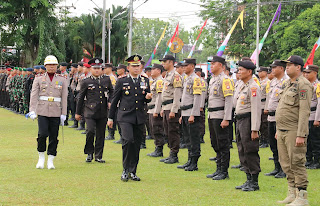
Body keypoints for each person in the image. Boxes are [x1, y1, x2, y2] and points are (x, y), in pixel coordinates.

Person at [107, 55, 151, 182]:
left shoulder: (145, 80)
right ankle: (125, 169)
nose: (136, 68)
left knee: (136, 144)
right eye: (134, 66)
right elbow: (114, 101)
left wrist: (149, 97)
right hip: (125, 116)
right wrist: (110, 118)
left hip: (139, 117)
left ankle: (133, 171)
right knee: (128, 140)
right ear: (128, 67)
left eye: (138, 66)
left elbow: (146, 98)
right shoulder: (121, 81)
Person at [276, 55, 312, 205]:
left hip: (294, 130)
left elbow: (304, 111)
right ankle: (292, 191)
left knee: (296, 162)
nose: (287, 67)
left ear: (298, 67)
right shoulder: (287, 84)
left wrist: (301, 134)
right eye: (286, 65)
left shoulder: (303, 84)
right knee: (285, 162)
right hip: (283, 129)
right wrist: (278, 129)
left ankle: (302, 196)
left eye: (290, 64)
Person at [28, 55, 68, 169]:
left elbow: (64, 97)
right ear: (45, 66)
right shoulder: (39, 78)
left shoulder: (62, 79)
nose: (52, 67)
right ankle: (41, 156)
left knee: (54, 136)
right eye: (49, 65)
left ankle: (51, 159)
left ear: (57, 66)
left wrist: (64, 113)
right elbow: (34, 95)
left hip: (56, 110)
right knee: (42, 134)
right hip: (42, 110)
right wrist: (32, 110)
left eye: (54, 65)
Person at [76, 58, 113, 163]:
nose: (97, 70)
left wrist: (110, 100)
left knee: (101, 134)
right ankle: (89, 153)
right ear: (91, 69)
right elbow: (80, 98)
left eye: (98, 68)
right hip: (90, 111)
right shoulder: (86, 81)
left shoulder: (106, 79)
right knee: (90, 131)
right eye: (94, 68)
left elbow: (112, 91)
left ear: (102, 69)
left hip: (102, 111)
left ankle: (98, 155)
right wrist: (77, 113)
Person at [234, 60, 261, 192]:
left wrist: (254, 129)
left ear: (249, 72)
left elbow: (256, 110)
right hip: (239, 120)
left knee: (250, 149)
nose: (239, 72)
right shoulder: (241, 86)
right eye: (238, 69)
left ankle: (254, 181)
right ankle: (248, 178)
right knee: (241, 149)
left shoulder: (253, 87)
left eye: (241, 70)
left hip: (248, 121)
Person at [205, 56, 234, 180]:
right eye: (210, 64)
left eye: (213, 64)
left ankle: (224, 171)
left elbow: (229, 100)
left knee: (223, 143)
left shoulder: (225, 80)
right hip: (212, 115)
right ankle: (218, 168)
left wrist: (226, 118)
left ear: (221, 66)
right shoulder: (212, 80)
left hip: (221, 115)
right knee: (215, 143)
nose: (211, 66)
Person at [177, 58, 202, 171]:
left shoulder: (196, 79)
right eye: (183, 66)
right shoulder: (186, 78)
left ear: (192, 66)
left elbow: (197, 98)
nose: (183, 67)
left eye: (186, 65)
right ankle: (189, 160)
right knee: (187, 138)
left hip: (192, 112)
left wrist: (193, 114)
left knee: (194, 138)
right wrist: (182, 114)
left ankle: (194, 162)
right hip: (185, 111)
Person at [264, 60, 288, 178]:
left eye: (275, 67)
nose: (272, 69)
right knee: (273, 144)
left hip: (280, 116)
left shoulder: (286, 82)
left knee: (281, 144)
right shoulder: (273, 82)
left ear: (282, 69)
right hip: (271, 116)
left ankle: (284, 169)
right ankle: (276, 167)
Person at [159, 55, 183, 164]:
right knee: (167, 131)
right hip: (166, 107)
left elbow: (177, 94)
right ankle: (171, 153)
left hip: (172, 107)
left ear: (171, 62)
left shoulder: (176, 76)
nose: (163, 64)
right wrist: (163, 108)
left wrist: (174, 110)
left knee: (173, 131)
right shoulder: (167, 75)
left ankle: (174, 154)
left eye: (164, 62)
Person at [303, 65, 320, 169]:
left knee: (315, 140)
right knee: (307, 140)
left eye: (308, 72)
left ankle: (317, 161)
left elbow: (319, 103)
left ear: (315, 73)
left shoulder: (318, 85)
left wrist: (317, 119)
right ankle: (309, 159)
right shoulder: (305, 85)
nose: (305, 74)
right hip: (306, 116)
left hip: (314, 115)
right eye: (305, 72)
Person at [147, 64, 165, 157]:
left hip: (155, 108)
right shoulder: (154, 81)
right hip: (151, 108)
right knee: (153, 129)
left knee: (157, 129)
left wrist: (157, 111)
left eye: (153, 69)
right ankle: (157, 148)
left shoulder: (159, 81)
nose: (151, 71)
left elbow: (159, 97)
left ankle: (159, 149)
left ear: (158, 70)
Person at [257, 66, 269, 148]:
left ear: (265, 72)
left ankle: (265, 141)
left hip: (264, 104)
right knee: (260, 124)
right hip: (258, 104)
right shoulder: (259, 82)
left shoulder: (268, 82)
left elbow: (268, 95)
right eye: (258, 72)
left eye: (261, 71)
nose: (259, 73)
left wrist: (267, 107)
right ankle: (261, 140)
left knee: (264, 124)